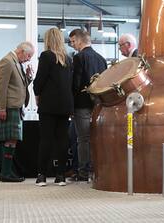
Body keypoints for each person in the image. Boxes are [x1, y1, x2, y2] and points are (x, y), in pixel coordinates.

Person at [33, 27, 74, 187]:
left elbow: (39, 81)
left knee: (46, 140)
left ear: (48, 40)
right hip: (65, 105)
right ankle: (61, 176)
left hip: (49, 105)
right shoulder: (68, 59)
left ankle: (42, 176)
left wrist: (37, 94)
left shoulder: (46, 56)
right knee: (62, 140)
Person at [0, 41, 35, 182]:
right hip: (8, 107)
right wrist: (1, 108)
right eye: (29, 55)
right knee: (9, 140)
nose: (29, 59)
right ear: (21, 51)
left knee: (11, 140)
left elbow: (18, 86)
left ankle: (7, 171)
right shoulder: (7, 61)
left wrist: (28, 77)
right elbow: (0, 87)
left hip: (15, 106)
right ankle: (6, 173)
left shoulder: (16, 63)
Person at [69, 29, 107, 181]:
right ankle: (97, 169)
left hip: (82, 104)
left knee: (83, 139)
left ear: (79, 40)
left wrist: (71, 105)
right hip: (99, 104)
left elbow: (76, 84)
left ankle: (84, 171)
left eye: (72, 41)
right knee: (96, 137)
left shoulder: (79, 57)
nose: (72, 45)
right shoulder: (101, 59)